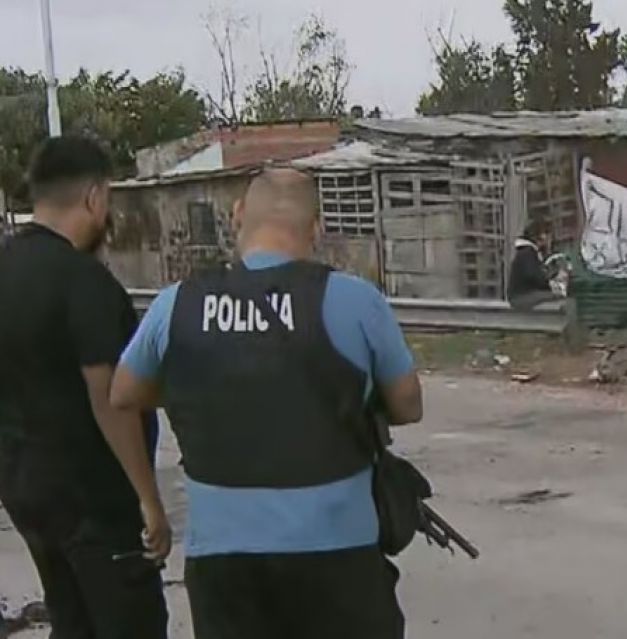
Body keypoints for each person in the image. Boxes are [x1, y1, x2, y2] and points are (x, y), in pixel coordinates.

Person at [110, 168, 421, 639]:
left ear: (237, 216)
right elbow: (406, 405)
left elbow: (124, 393)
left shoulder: (177, 304)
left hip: (222, 561)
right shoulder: (356, 301)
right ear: (315, 231)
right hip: (338, 553)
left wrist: (203, 384)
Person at [0, 137, 170, 637]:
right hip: (95, 501)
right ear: (95, 197)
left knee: (72, 620)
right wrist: (148, 498)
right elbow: (109, 397)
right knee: (129, 623)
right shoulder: (84, 282)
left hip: (26, 490)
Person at [508, 221, 563, 310]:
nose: (550, 240)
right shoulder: (528, 253)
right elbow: (534, 276)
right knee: (559, 296)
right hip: (521, 297)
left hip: (522, 296)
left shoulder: (529, 252)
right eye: (548, 236)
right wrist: (549, 281)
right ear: (541, 236)